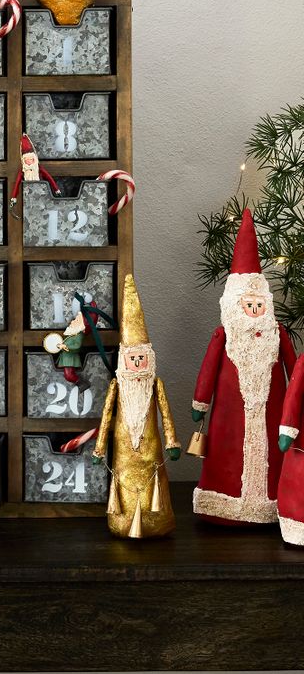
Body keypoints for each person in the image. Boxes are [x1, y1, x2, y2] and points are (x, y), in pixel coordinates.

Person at [191, 209, 296, 525]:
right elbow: (209, 370)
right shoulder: (224, 335)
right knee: (227, 452)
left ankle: (276, 504)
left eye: (258, 305)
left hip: (273, 414)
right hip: (228, 417)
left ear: (266, 304)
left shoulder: (277, 333)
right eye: (248, 305)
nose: (254, 310)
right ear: (235, 305)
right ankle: (225, 505)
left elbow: (294, 367)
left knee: (274, 461)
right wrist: (201, 403)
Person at [92, 274, 181, 538]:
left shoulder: (155, 384)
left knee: (154, 483)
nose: (139, 363)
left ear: (149, 357)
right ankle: (123, 523)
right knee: (124, 487)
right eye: (134, 359)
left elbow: (166, 415)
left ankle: (156, 523)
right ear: (124, 360)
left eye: (143, 358)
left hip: (151, 449)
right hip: (122, 450)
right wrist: (99, 449)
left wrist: (172, 442)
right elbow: (106, 417)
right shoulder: (117, 386)